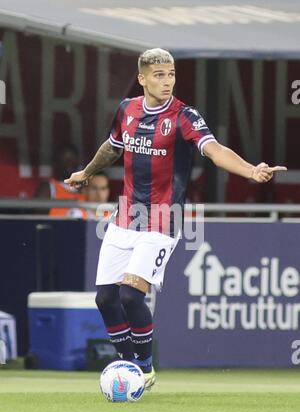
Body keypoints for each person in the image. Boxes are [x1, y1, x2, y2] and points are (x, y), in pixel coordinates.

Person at [64, 48, 287, 389]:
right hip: (125, 217)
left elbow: (215, 150)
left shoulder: (185, 116)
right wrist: (86, 171)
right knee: (105, 299)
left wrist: (250, 170)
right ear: (142, 79)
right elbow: (113, 147)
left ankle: (145, 367)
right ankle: (129, 367)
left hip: (162, 219)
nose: (166, 81)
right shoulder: (127, 110)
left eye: (170, 74)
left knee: (130, 295)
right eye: (158, 75)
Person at [35, 144, 85, 216]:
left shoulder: (86, 186)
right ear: (56, 162)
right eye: (65, 159)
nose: (69, 163)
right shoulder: (48, 187)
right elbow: (38, 218)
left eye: (72, 159)